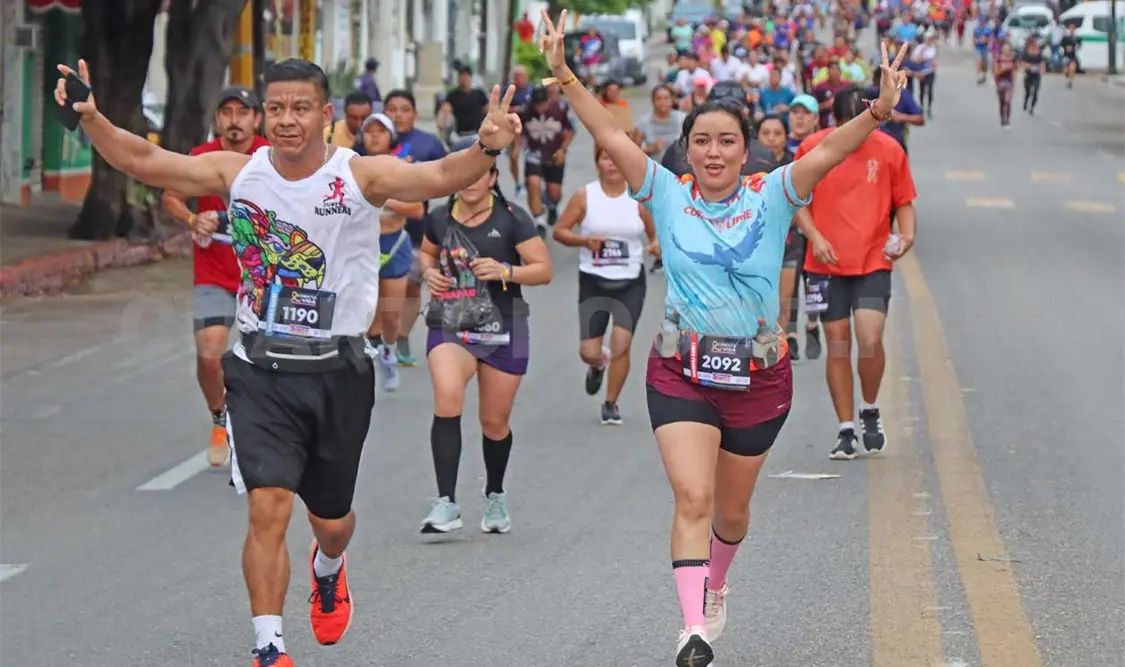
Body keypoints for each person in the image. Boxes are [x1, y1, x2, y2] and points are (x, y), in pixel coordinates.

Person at [54, 57, 523, 667]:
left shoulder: (359, 175)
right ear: (262, 116)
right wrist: (92, 118)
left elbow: (437, 175)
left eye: (301, 108)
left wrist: (486, 148)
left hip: (338, 370)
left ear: (324, 115)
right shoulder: (238, 171)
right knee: (267, 507)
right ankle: (268, 644)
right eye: (275, 108)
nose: (286, 120)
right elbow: (146, 160)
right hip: (260, 368)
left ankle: (328, 565)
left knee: (332, 522)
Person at [538, 11, 910, 666]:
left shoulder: (774, 194)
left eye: (727, 142)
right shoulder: (664, 193)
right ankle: (692, 630)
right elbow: (606, 131)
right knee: (693, 496)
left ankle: (716, 582)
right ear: (686, 150)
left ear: (745, 149)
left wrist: (877, 111)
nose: (713, 152)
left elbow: (828, 153)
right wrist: (565, 74)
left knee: (730, 515)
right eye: (702, 141)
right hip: (679, 372)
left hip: (759, 380)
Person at [417, 136, 552, 535]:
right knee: (447, 395)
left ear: (492, 177)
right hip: (450, 323)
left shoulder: (512, 218)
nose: (472, 180)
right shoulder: (439, 217)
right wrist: (429, 272)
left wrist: (506, 271)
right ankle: (446, 502)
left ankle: (495, 493)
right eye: (465, 171)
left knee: (494, 423)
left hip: (504, 327)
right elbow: (427, 253)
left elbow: (543, 269)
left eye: (480, 173)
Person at [793, 87, 917, 462]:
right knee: (837, 346)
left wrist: (907, 236)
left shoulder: (890, 150)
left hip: (871, 262)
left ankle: (870, 407)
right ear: (836, 120)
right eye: (849, 122)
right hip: (824, 266)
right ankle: (845, 428)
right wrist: (815, 237)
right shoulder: (814, 147)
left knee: (870, 338)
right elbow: (796, 198)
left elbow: (904, 201)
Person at [161, 86, 270, 467]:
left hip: (264, 275)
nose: (234, 120)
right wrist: (192, 219)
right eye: (227, 112)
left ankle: (266, 425)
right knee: (209, 353)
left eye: (243, 112)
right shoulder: (201, 157)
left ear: (257, 119)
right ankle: (219, 418)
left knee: (268, 360)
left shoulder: (271, 157)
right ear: (217, 119)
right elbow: (170, 196)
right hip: (214, 271)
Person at [553, 145, 659, 424]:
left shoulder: (638, 198)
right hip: (594, 280)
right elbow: (560, 231)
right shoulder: (585, 196)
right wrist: (583, 241)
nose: (611, 164)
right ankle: (598, 364)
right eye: (605, 158)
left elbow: (655, 233)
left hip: (630, 281)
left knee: (621, 344)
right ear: (597, 162)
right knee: (588, 352)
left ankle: (611, 403)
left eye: (616, 159)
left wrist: (657, 246)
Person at [358, 112, 425, 391]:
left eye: (380, 131)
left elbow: (417, 209)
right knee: (362, 310)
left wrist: (383, 198)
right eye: (369, 131)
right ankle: (361, 363)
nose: (374, 135)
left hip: (394, 244)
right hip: (362, 246)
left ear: (391, 137)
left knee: (389, 313)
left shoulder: (402, 168)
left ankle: (387, 352)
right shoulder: (351, 167)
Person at [383, 90, 449, 366]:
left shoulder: (429, 144)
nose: (398, 115)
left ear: (415, 114)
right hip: (376, 231)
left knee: (411, 287)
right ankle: (379, 335)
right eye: (392, 109)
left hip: (416, 230)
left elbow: (449, 178)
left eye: (404, 109)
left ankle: (402, 336)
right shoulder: (373, 140)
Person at [513, 85, 573, 233]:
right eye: (537, 105)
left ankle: (551, 206)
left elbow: (569, 131)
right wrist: (515, 148)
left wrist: (563, 150)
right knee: (532, 183)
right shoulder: (525, 112)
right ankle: (539, 220)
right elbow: (517, 130)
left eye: (543, 104)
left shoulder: (560, 109)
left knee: (555, 192)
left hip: (554, 154)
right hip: (534, 153)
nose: (540, 108)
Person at [438, 66, 490, 143]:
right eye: (461, 76)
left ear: (470, 78)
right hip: (460, 135)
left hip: (478, 134)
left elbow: (488, 110)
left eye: (466, 76)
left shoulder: (479, 94)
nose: (464, 79)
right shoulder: (453, 95)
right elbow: (445, 109)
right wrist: (441, 122)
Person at [639, 84, 685, 163]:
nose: (663, 102)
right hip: (655, 166)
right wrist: (651, 149)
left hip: (679, 166)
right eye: (659, 98)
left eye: (666, 98)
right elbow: (633, 151)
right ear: (652, 101)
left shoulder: (682, 119)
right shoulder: (644, 122)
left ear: (672, 100)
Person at [994, 41, 1017, 128]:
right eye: (1005, 49)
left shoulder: (1012, 59)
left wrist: (1014, 80)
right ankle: (1002, 119)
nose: (1006, 51)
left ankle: (1007, 119)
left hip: (1009, 83)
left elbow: (1015, 71)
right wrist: (1003, 69)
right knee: (1002, 102)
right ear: (1002, 50)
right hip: (1000, 82)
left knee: (1008, 101)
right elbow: (996, 72)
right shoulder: (999, 59)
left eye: (1008, 49)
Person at [1021, 37, 1044, 115]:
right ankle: (1026, 101)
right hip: (1028, 75)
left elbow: (1042, 63)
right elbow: (1023, 64)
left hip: (1036, 75)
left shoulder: (1039, 54)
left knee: (1035, 92)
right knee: (1028, 92)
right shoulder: (1026, 53)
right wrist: (1030, 66)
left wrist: (1041, 69)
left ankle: (1032, 107)